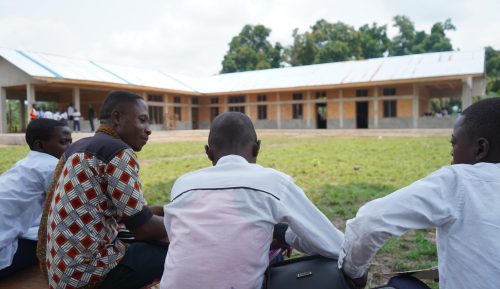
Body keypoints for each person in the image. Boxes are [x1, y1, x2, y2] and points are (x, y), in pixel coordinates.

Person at [160, 111, 344, 289]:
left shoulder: (183, 184)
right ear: (257, 148)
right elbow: (336, 245)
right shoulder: (275, 183)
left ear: (208, 153)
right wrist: (284, 234)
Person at [339, 97, 500, 289]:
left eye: (454, 144)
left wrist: (354, 272)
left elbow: (368, 223)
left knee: (400, 284)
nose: (451, 154)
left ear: (480, 148)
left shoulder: (460, 181)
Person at [37, 91, 168, 289]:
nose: (148, 130)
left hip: (61, 273)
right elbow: (144, 228)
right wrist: (188, 221)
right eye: (142, 120)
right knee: (172, 252)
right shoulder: (117, 151)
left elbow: (132, 213)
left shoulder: (79, 146)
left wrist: (164, 211)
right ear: (117, 118)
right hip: (87, 276)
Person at [0, 119, 71, 279]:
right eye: (63, 142)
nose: (69, 148)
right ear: (40, 145)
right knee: (59, 240)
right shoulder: (53, 166)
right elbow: (70, 211)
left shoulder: (23, 164)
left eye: (70, 142)